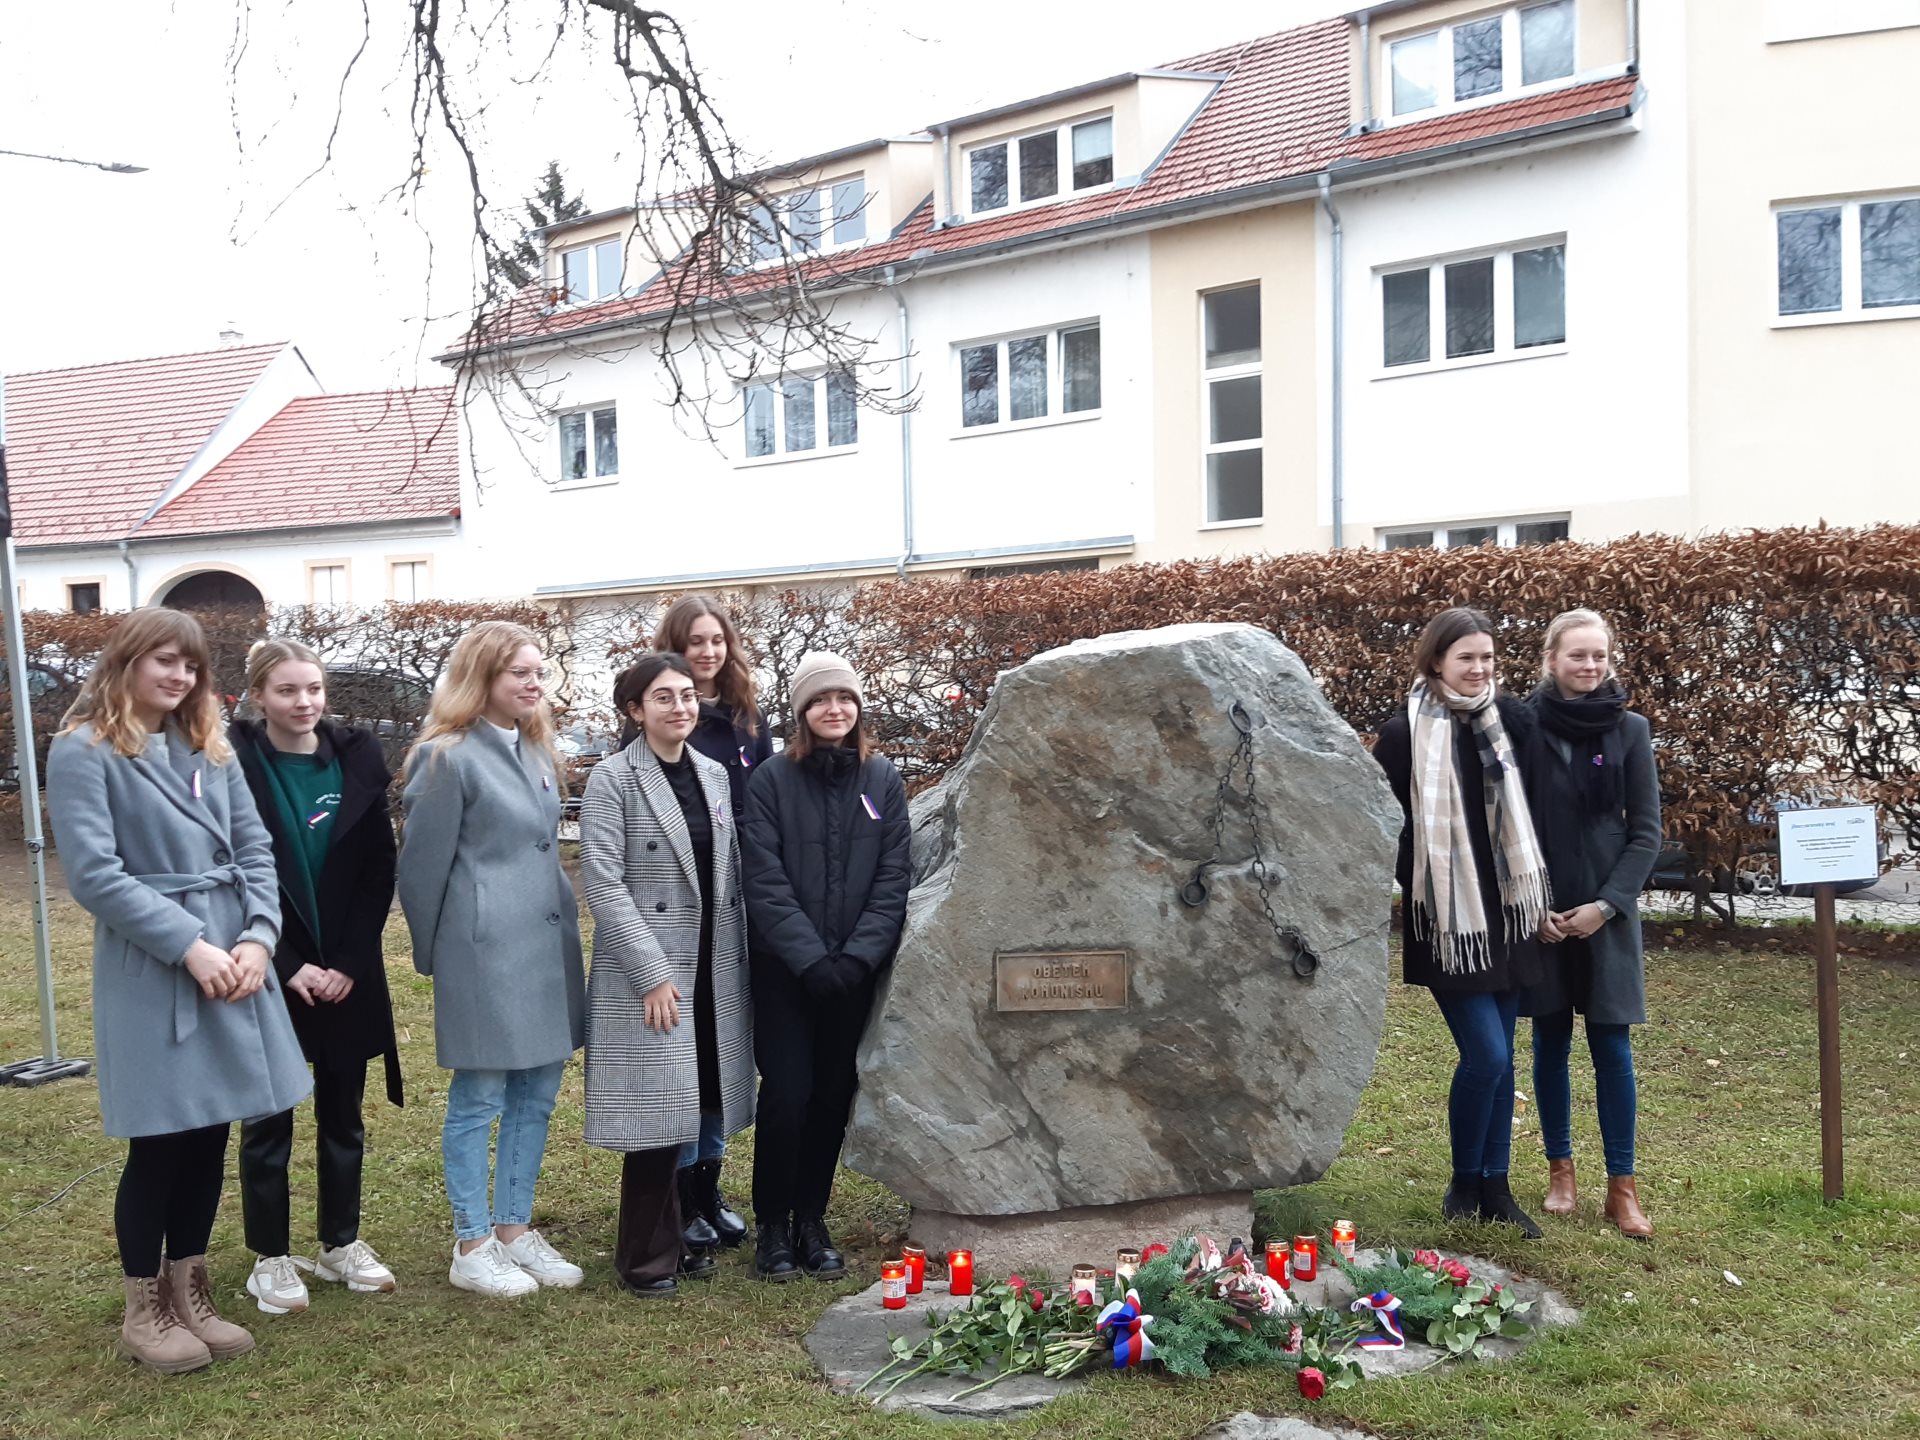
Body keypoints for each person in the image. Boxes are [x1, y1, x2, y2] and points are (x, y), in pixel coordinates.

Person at [45, 608, 311, 1374]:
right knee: (160, 1138)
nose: (180, 677)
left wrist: (259, 939)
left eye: (190, 666)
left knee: (212, 1130)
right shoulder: (83, 751)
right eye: (164, 661)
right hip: (156, 967)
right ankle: (145, 1307)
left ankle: (190, 1287)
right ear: (126, 662)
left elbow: (257, 850)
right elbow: (95, 876)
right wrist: (191, 947)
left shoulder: (209, 746)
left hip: (235, 960)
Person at [398, 621, 586, 1297]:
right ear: (483, 678)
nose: (535, 685)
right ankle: (472, 1241)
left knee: (537, 1091)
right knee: (479, 1096)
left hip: (543, 947)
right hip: (482, 951)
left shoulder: (536, 750)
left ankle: (514, 1228)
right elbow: (420, 871)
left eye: (540, 673)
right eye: (520, 674)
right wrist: (440, 954)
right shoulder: (446, 756)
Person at [230, 639, 404, 1314]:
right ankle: (269, 1258)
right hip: (270, 967)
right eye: (286, 691)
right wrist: (287, 963)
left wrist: (349, 964)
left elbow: (375, 872)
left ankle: (340, 1241)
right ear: (258, 697)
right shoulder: (235, 766)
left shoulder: (356, 759)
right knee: (268, 1120)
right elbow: (234, 872)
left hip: (345, 975)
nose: (303, 703)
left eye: (313, 689)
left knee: (343, 1116)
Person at [1372, 607, 1552, 1238]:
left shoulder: (1511, 724)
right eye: (1466, 658)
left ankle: (1494, 1185)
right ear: (1435, 661)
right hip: (1448, 919)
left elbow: (1532, 811)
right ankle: (1462, 1180)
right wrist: (1427, 887)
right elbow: (1386, 826)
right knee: (1486, 1055)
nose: (1479, 670)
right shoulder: (1403, 734)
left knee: (1503, 1059)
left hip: (1506, 916)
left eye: (1487, 658)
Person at [580, 654, 755, 1297]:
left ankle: (690, 1227)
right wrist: (652, 972)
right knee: (657, 1115)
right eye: (662, 698)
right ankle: (645, 1256)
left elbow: (726, 874)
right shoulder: (613, 780)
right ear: (634, 710)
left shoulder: (711, 772)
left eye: (687, 695)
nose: (680, 707)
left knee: (707, 1094)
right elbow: (603, 882)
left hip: (715, 963)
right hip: (651, 972)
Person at [742, 651, 911, 1281]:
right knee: (788, 1094)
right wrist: (809, 958)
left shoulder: (882, 778)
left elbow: (894, 875)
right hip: (788, 971)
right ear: (801, 712)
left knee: (832, 1096)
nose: (833, 709)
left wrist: (857, 956)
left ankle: (813, 1220)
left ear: (858, 707)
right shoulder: (770, 781)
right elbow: (763, 878)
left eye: (843, 698)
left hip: (851, 972)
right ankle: (773, 1228)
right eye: (819, 700)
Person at [1525, 609, 1662, 1238]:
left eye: (1598, 656)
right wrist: (1533, 907)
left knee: (1612, 1048)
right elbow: (1510, 828)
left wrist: (1606, 906)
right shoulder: (1523, 726)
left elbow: (1646, 834)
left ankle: (1622, 1188)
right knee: (1550, 1043)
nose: (1589, 666)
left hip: (1607, 917)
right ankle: (1561, 1173)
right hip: (1543, 915)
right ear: (1551, 659)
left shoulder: (1631, 730)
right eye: (1576, 655)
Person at [651, 594, 770, 1255]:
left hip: (738, 900)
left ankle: (710, 1188)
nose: (707, 652)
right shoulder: (662, 718)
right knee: (685, 1059)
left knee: (722, 1053)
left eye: (716, 639)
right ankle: (680, 1193)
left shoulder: (747, 718)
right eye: (694, 640)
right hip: (679, 910)